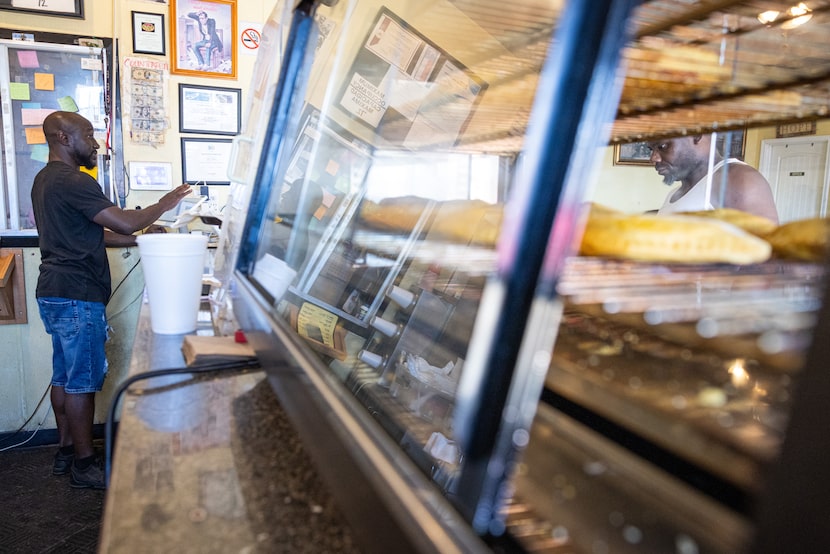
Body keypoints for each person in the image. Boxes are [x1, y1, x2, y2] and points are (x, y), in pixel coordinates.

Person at [31, 111, 192, 489]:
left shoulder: (45, 180)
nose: (95, 143)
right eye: (87, 135)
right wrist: (167, 202)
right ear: (62, 138)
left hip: (54, 290)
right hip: (77, 295)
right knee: (82, 383)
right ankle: (86, 465)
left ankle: (66, 451)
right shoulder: (74, 181)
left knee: (64, 375)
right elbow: (124, 222)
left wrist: (144, 239)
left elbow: (93, 235)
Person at [649, 134, 779, 223]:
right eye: (651, 149)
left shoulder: (737, 178)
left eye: (663, 147)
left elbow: (769, 256)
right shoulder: (674, 193)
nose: (654, 158)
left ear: (696, 135)